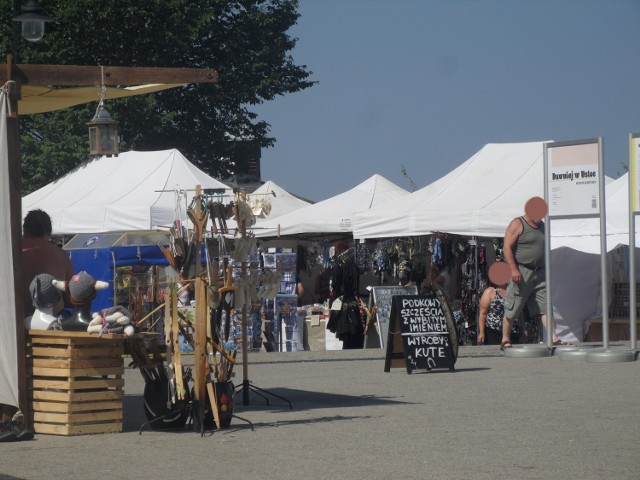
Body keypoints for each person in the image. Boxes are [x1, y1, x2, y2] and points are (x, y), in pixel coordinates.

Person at [500, 206, 564, 350]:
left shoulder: (542, 225)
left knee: (546, 306)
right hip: (522, 271)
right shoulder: (518, 223)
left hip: (540, 272)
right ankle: (505, 339)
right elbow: (506, 247)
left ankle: (553, 337)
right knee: (513, 306)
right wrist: (513, 269)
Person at [22, 209, 75, 317]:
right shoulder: (60, 255)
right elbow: (73, 295)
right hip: (50, 322)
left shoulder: (10, 253)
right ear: (48, 231)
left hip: (15, 322)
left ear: (25, 229)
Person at [477, 277, 519, 345]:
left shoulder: (514, 291)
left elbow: (519, 312)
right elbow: (483, 313)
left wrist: (523, 329)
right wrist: (481, 332)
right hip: (494, 331)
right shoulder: (490, 292)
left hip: (513, 330)